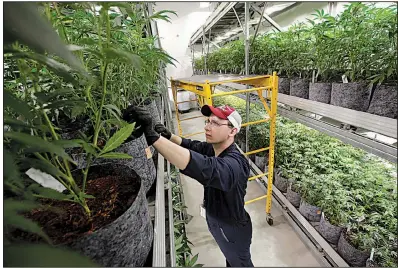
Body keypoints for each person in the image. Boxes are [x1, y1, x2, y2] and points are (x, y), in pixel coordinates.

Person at [125, 104, 254, 267]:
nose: (207, 127)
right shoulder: (214, 148)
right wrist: (169, 135)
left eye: (215, 123)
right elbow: (193, 146)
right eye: (207, 121)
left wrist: (154, 138)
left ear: (232, 131)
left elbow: (205, 167)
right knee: (231, 260)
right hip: (219, 223)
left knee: (240, 263)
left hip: (231, 229)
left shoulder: (235, 164)